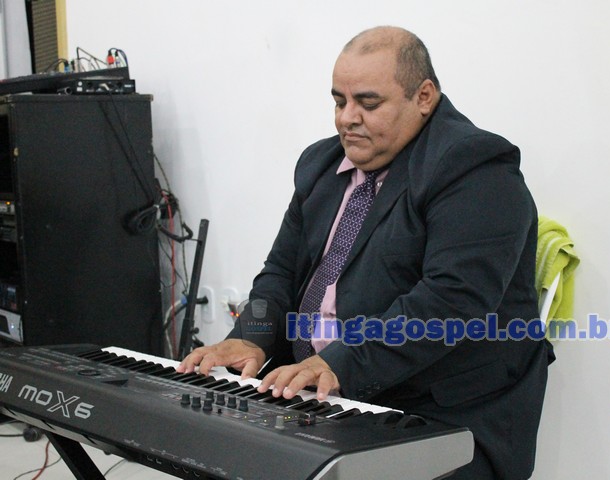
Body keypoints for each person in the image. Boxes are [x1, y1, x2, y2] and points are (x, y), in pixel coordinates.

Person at [178, 26, 554, 479]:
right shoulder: (320, 164)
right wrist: (252, 337)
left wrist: (339, 364)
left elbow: (451, 301)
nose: (346, 119)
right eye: (339, 102)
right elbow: (280, 272)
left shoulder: (473, 166)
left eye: (368, 104)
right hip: (325, 395)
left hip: (439, 414)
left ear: (424, 96)